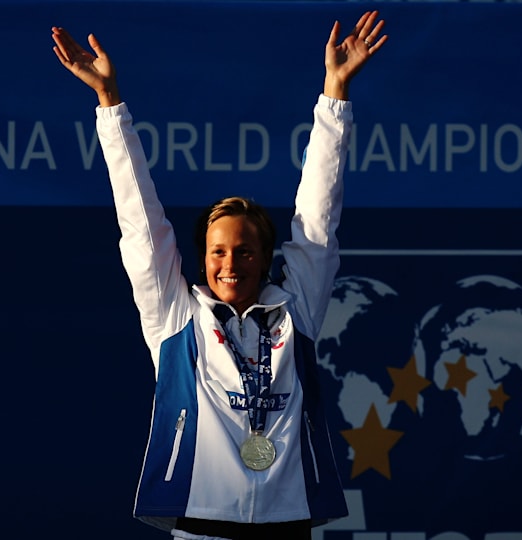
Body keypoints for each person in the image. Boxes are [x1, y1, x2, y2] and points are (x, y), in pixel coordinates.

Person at [52, 10, 387, 540]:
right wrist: (109, 104)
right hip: (198, 521)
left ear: (267, 256)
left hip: (286, 521)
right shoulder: (174, 317)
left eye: (246, 251)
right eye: (218, 252)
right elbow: (141, 223)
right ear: (203, 257)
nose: (231, 263)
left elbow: (318, 217)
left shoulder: (294, 311)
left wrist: (335, 94)